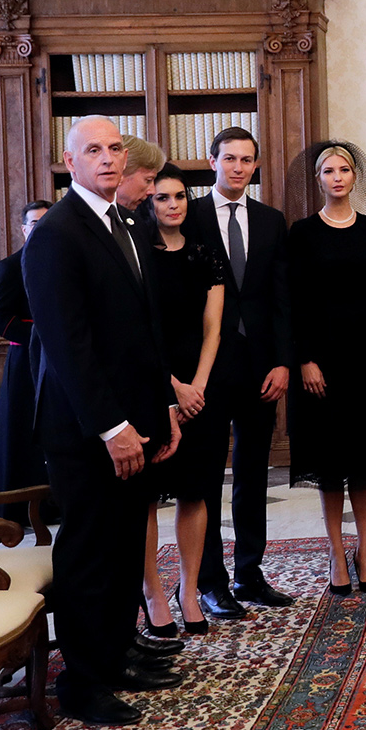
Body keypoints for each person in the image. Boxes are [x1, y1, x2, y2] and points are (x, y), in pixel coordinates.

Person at [22, 116, 183, 726]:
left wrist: (163, 408)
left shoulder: (128, 222)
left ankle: (116, 656)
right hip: (87, 430)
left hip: (137, 418)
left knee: (122, 547)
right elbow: (70, 347)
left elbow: (146, 330)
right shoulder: (56, 235)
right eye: (94, 150)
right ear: (71, 163)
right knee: (90, 554)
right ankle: (82, 684)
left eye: (115, 148)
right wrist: (112, 428)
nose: (109, 158)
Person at [182, 127, 295, 619]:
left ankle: (250, 572)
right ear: (213, 162)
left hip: (260, 366)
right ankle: (210, 582)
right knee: (208, 476)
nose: (238, 168)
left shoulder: (271, 220)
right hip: (207, 368)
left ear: (255, 165)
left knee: (253, 474)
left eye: (247, 160)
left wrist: (283, 361)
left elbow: (283, 297)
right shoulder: (189, 215)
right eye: (229, 159)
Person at [286, 142, 366, 594]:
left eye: (344, 170)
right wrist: (305, 359)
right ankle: (336, 551)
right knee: (331, 462)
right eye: (328, 171)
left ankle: (365, 551)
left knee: (365, 461)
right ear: (318, 179)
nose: (337, 177)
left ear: (355, 177)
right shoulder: (302, 232)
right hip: (321, 357)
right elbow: (295, 301)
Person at [140, 164, 227, 636]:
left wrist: (199, 385)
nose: (173, 205)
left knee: (196, 491)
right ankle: (154, 593)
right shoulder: (138, 255)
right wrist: (174, 386)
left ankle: (189, 591)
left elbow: (213, 328)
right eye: (162, 197)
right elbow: (138, 331)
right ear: (148, 203)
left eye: (179, 197)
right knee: (149, 497)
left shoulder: (204, 254)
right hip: (155, 385)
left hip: (202, 387)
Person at [0, 199, 51, 525]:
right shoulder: (9, 267)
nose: (41, 229)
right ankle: (17, 511)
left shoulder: (65, 261)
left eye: (47, 222)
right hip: (26, 360)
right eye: (35, 223)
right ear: (24, 229)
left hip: (63, 360)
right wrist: (45, 334)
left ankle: (55, 506)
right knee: (22, 436)